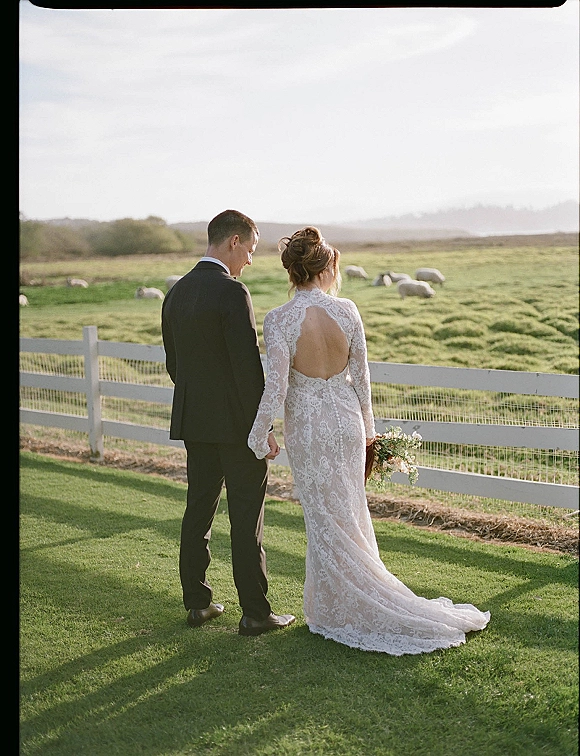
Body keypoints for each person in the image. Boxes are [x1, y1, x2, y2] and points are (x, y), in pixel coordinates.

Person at [248, 226, 490, 654]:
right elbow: (362, 381)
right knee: (350, 514)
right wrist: (371, 434)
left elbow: (276, 388)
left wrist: (259, 433)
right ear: (327, 267)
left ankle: (341, 609)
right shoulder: (348, 311)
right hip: (347, 425)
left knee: (325, 520)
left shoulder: (279, 319)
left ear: (293, 271)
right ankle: (334, 606)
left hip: (308, 429)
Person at [161, 209, 295, 636]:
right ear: (234, 241)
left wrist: (201, 404)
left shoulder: (176, 292)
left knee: (197, 510)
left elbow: (174, 365)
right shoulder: (232, 293)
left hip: (195, 423)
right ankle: (255, 612)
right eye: (251, 250)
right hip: (237, 427)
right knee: (245, 517)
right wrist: (263, 427)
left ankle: (198, 604)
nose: (250, 261)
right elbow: (246, 369)